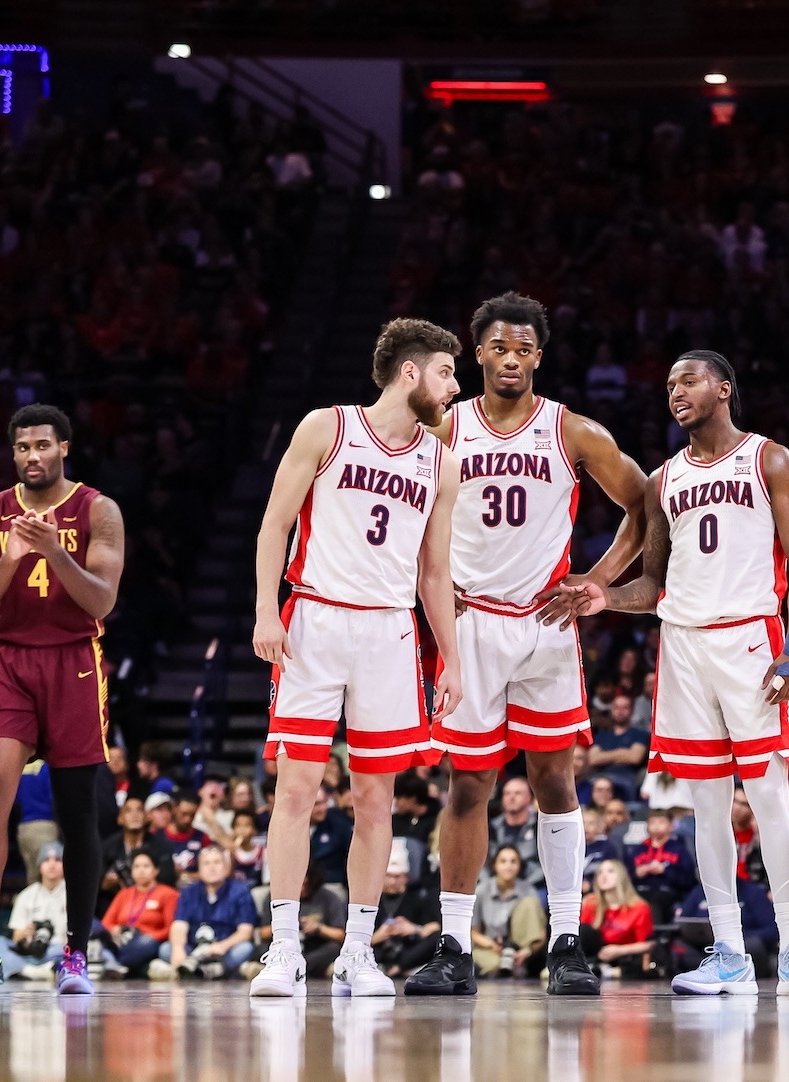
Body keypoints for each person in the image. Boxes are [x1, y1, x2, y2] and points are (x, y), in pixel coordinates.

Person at [543, 349, 789, 997]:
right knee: (705, 808)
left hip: (752, 640)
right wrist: (605, 597)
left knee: (769, 798)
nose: (675, 391)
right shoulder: (662, 480)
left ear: (723, 388)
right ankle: (729, 952)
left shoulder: (769, 458)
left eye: (689, 379)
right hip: (684, 646)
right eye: (668, 382)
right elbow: (653, 584)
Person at [249, 318, 465, 999]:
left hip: (390, 634)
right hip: (314, 619)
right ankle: (284, 949)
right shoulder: (327, 427)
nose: (456, 388)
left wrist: (450, 659)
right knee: (297, 789)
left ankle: (357, 953)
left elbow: (435, 573)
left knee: (376, 799)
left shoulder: (442, 461)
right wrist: (263, 610)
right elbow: (274, 524)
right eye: (447, 373)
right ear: (411, 373)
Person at [0, 403, 127, 995]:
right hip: (10, 660)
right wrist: (12, 557)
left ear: (64, 448)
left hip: (76, 660)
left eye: (43, 446)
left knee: (77, 808)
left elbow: (101, 601)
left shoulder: (98, 510)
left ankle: (75, 954)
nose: (32, 456)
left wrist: (55, 551)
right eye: (23, 447)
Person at [162, 846, 258, 980]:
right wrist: (178, 950)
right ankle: (208, 970)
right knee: (166, 949)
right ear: (199, 869)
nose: (212, 868)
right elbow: (179, 925)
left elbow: (245, 931)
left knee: (245, 948)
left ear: (226, 867)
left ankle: (201, 971)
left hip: (225, 948)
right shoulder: (189, 892)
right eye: (206, 863)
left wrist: (222, 946)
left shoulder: (240, 891)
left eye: (217, 862)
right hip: (194, 948)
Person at [97, 850, 180, 979]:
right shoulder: (124, 894)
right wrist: (114, 929)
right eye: (136, 866)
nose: (141, 871)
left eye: (146, 866)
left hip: (149, 941)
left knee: (147, 942)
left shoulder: (168, 894)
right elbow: (106, 923)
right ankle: (118, 965)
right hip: (121, 940)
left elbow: (171, 928)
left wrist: (151, 936)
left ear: (156, 870)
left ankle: (116, 964)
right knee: (95, 932)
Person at [471, 846, 547, 978]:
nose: (508, 866)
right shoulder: (482, 890)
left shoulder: (528, 890)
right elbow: (473, 932)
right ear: (494, 865)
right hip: (490, 946)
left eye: (513, 861)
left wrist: (527, 951)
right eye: (503, 861)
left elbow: (541, 933)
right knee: (496, 966)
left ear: (519, 865)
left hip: (521, 947)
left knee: (530, 902)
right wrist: (490, 944)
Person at [0, 842, 69, 981]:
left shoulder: (72, 894)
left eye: (58, 860)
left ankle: (25, 971)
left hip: (58, 950)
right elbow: (16, 937)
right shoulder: (27, 895)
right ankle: (35, 971)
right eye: (46, 860)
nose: (52, 865)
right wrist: (26, 932)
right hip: (30, 953)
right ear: (39, 866)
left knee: (80, 951)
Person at [579, 859, 655, 979]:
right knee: (584, 930)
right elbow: (583, 935)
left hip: (624, 954)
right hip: (598, 953)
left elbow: (648, 944)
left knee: (640, 962)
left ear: (621, 876)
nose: (604, 876)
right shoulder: (591, 903)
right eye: (600, 872)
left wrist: (619, 950)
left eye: (610, 871)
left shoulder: (639, 907)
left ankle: (606, 970)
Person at [628, 809, 698, 921]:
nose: (656, 826)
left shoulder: (679, 849)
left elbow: (688, 879)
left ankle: (653, 935)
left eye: (661, 822)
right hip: (640, 889)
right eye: (652, 822)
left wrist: (665, 870)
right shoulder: (638, 849)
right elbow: (625, 875)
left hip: (667, 890)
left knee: (654, 901)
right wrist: (637, 873)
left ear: (671, 826)